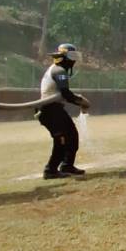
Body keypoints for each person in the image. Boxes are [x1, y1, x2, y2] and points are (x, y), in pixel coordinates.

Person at [38, 43, 90, 179]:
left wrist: (78, 100)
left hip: (56, 109)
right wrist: (81, 101)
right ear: (64, 57)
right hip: (49, 110)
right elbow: (66, 94)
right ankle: (50, 170)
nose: (74, 61)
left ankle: (67, 165)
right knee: (61, 139)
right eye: (72, 57)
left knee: (72, 135)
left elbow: (64, 94)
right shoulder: (59, 71)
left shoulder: (58, 70)